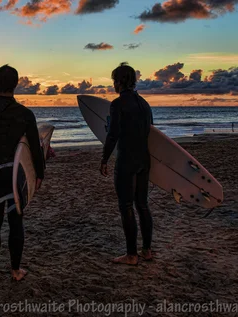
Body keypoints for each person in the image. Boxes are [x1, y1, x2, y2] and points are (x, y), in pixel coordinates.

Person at [0, 64, 45, 282]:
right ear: (16, 84)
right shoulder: (25, 114)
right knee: (16, 221)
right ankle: (15, 270)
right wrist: (39, 174)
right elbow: (34, 148)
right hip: (16, 177)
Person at [100, 62, 154, 266]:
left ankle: (131, 255)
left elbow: (113, 134)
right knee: (142, 205)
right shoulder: (144, 104)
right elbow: (152, 133)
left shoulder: (118, 104)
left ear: (120, 81)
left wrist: (104, 159)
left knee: (126, 206)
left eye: (114, 80)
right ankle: (147, 251)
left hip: (126, 161)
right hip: (144, 160)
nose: (114, 84)